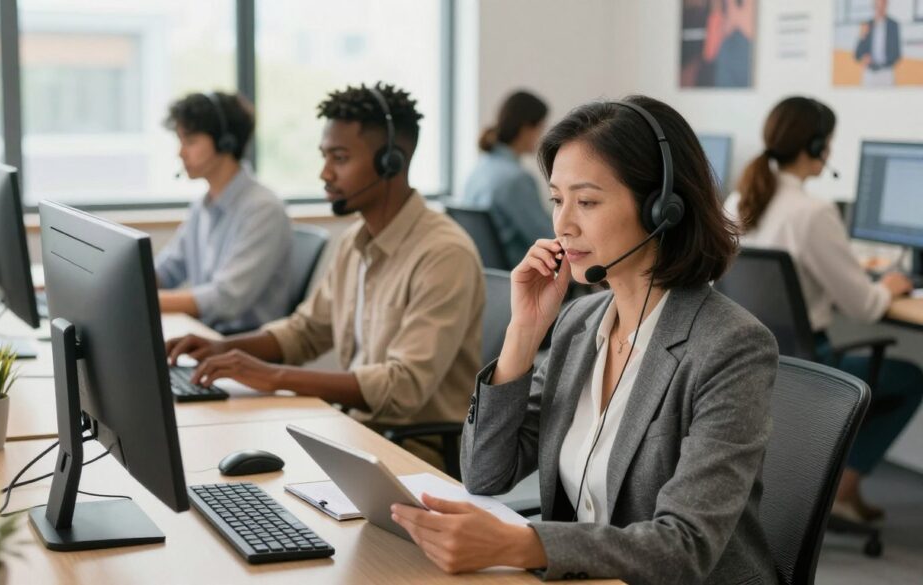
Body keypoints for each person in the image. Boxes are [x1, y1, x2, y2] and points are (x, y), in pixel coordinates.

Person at [392, 96, 780, 583]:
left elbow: (685, 547)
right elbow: (485, 474)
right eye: (557, 199)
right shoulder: (580, 323)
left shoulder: (731, 347)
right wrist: (523, 334)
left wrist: (522, 544)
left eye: (588, 201)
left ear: (664, 208)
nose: (563, 224)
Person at [165, 83, 484, 468]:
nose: (325, 173)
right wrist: (223, 349)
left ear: (390, 162)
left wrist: (275, 376)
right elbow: (306, 331)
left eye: (340, 158)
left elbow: (403, 387)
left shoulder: (442, 253)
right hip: (354, 434)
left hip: (414, 456)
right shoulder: (355, 242)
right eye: (324, 156)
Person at [725, 96, 922, 524]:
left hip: (747, 360)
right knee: (909, 377)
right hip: (806, 364)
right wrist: (889, 286)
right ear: (816, 147)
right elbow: (865, 307)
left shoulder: (739, 200)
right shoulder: (813, 212)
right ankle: (844, 492)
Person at [156, 91, 291, 334]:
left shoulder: (263, 209)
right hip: (207, 338)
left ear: (225, 142)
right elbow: (167, 270)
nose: (180, 153)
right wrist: (124, 286)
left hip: (243, 348)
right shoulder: (202, 206)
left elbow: (226, 299)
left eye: (190, 141)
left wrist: (149, 302)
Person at [461, 90, 552, 265]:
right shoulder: (516, 180)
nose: (541, 137)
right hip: (521, 278)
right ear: (526, 129)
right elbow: (548, 238)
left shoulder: (479, 169)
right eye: (541, 128)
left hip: (488, 277)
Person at [855, 0, 902, 87]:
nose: (880, 8)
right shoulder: (867, 25)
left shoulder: (893, 25)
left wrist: (883, 63)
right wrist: (864, 57)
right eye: (877, 5)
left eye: (882, 5)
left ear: (886, 5)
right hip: (869, 73)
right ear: (873, 6)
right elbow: (857, 54)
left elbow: (897, 54)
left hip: (886, 73)